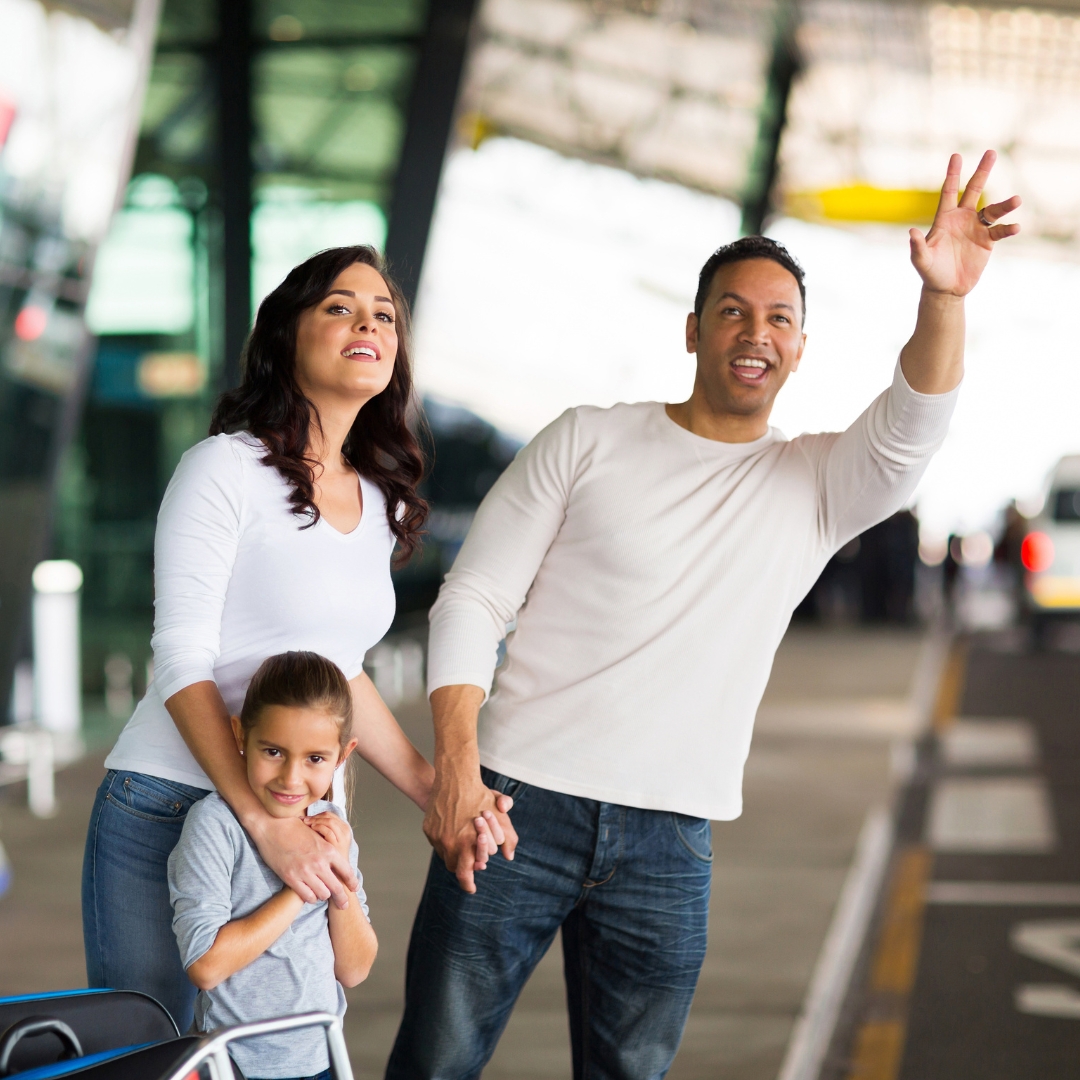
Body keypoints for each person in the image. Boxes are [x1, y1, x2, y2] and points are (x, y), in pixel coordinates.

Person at [386, 151, 1021, 1080]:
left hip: (669, 839)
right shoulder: (587, 439)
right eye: (733, 311)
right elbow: (474, 598)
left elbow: (913, 424)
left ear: (800, 346)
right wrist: (456, 767)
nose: (754, 333)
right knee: (434, 1064)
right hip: (512, 804)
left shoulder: (813, 484)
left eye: (779, 319)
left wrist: (946, 299)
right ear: (693, 330)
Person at [82, 245, 512, 1031]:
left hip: (303, 809)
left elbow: (340, 673)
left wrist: (439, 792)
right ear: (287, 337)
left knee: (279, 1041)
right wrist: (265, 825)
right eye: (340, 308)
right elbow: (182, 658)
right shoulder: (223, 470)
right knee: (156, 1052)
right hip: (172, 803)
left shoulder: (378, 500)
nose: (368, 324)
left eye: (383, 315)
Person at [169, 651, 376, 1080]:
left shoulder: (332, 828)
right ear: (239, 734)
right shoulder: (214, 826)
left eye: (315, 758)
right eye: (274, 751)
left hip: (323, 1057)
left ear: (343, 755)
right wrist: (300, 889)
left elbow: (354, 969)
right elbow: (205, 966)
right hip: (234, 1063)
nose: (291, 778)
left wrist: (341, 879)